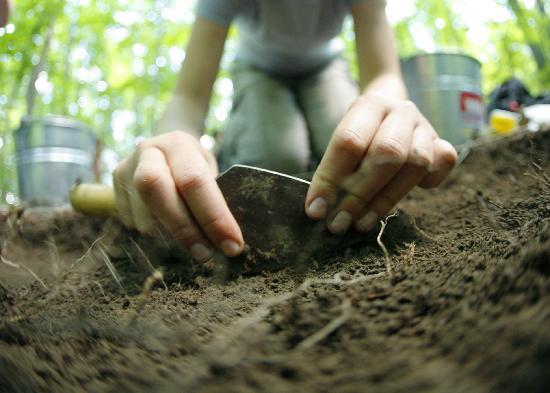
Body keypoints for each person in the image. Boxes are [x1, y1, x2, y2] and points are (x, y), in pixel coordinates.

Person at [113, 0, 457, 263]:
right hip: (257, 69)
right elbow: (188, 97)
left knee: (355, 147)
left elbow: (383, 75)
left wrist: (391, 118)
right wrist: (171, 144)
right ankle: (232, 150)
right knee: (275, 155)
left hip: (326, 68)